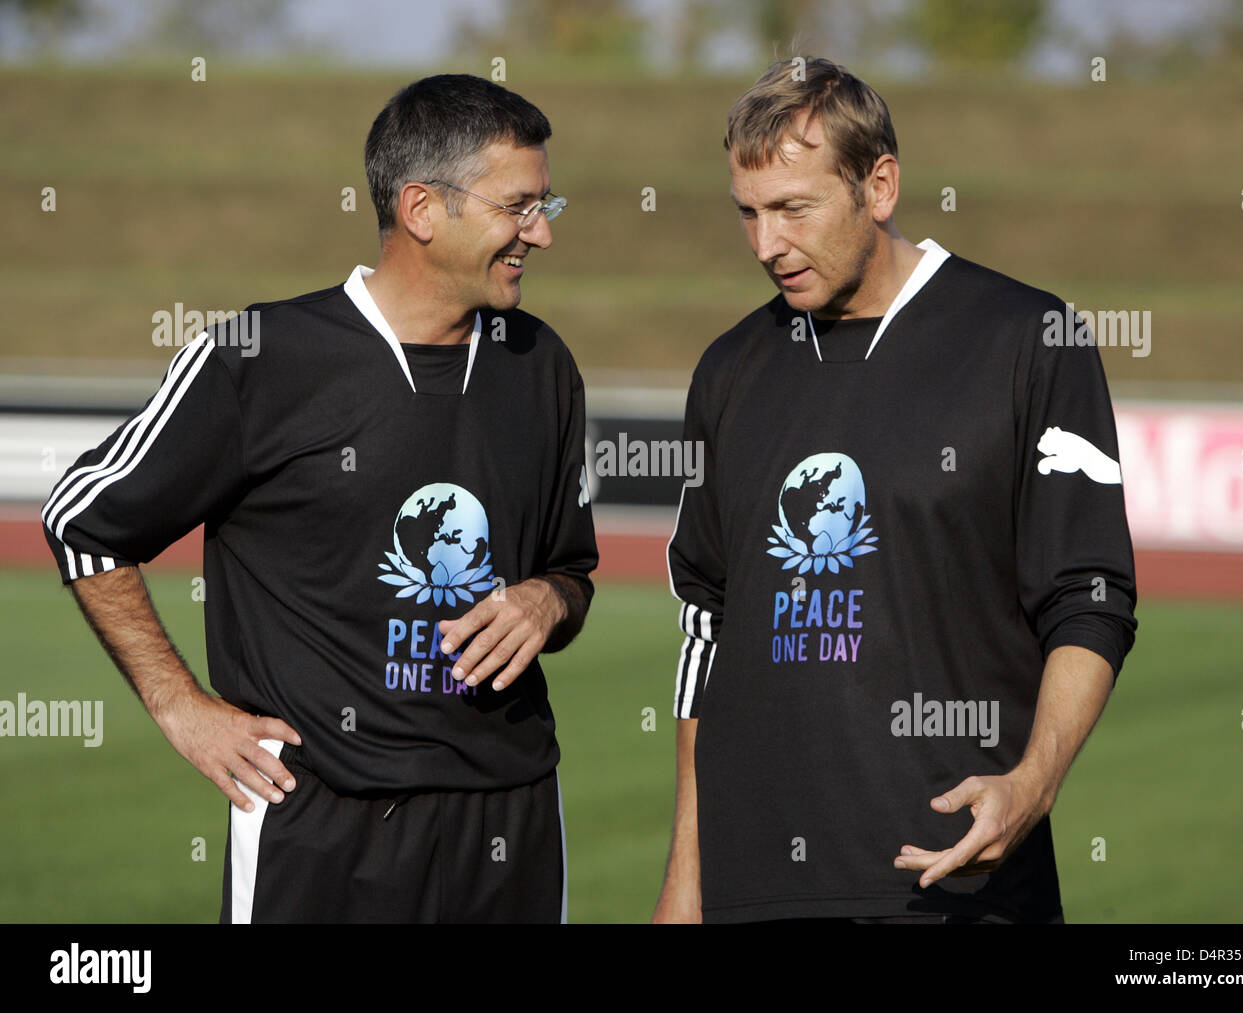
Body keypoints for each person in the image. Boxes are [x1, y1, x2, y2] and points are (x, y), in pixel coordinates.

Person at [41, 74, 597, 923]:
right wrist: (179, 704)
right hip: (320, 827)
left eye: (544, 202)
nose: (543, 233)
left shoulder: (542, 363)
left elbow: (571, 571)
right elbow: (82, 519)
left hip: (511, 818)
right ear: (421, 208)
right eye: (519, 206)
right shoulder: (261, 359)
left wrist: (543, 600)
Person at [653, 58, 1137, 924]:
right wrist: (686, 882)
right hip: (755, 890)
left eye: (793, 208)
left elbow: (1089, 598)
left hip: (955, 879)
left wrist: (1033, 782)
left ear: (879, 187)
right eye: (749, 214)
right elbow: (706, 624)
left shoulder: (1029, 340)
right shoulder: (728, 370)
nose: (767, 245)